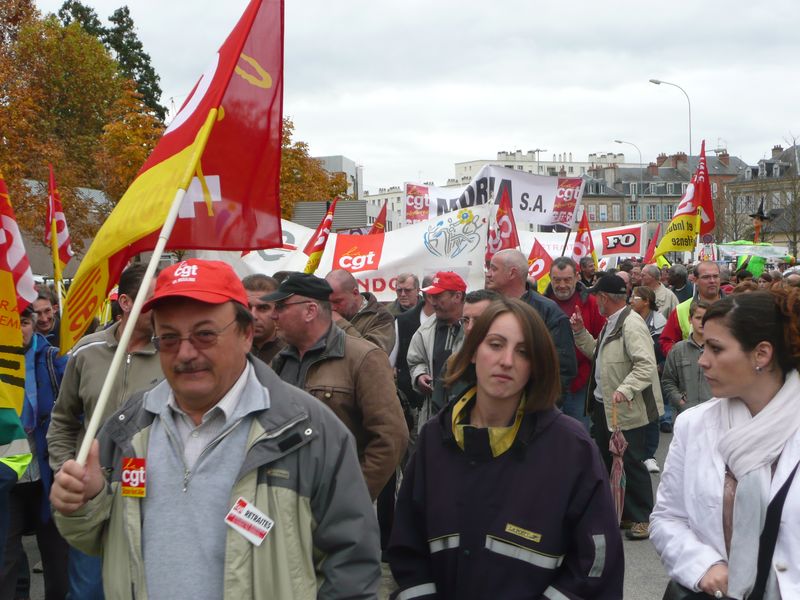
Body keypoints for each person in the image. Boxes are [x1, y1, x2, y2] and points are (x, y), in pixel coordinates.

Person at [50, 259, 381, 599]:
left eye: (205, 334)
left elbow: (352, 564)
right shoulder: (129, 426)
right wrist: (84, 502)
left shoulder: (307, 429)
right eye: (168, 338)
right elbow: (96, 540)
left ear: (246, 334)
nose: (186, 352)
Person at [388, 297, 624, 599]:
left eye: (523, 351)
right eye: (496, 344)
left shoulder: (571, 448)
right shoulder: (435, 438)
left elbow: (596, 562)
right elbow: (408, 548)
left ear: (536, 365)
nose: (507, 361)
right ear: (473, 352)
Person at [651, 289, 800, 599]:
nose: (703, 361)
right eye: (703, 347)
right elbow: (668, 518)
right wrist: (703, 565)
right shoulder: (694, 425)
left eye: (716, 349)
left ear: (761, 354)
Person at [47, 263, 163, 600]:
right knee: (87, 589)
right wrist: (65, 469)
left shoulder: (172, 354)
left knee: (140, 586)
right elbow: (63, 419)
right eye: (152, 299)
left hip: (146, 489)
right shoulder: (87, 351)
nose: (160, 308)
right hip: (90, 489)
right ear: (125, 302)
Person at [268, 272, 408, 500]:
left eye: (282, 306)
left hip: (339, 506)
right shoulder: (281, 360)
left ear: (310, 311)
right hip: (288, 499)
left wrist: (351, 497)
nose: (273, 315)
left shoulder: (363, 358)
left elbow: (391, 437)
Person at [571, 274, 664, 541]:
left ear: (603, 298)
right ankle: (625, 512)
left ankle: (643, 517)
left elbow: (646, 365)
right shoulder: (614, 322)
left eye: (595, 296)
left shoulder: (631, 325)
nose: (593, 301)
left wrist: (625, 388)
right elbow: (598, 355)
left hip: (627, 408)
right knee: (612, 461)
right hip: (607, 406)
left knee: (631, 462)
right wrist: (579, 332)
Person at [1, 306, 70, 600]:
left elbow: (74, 412)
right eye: (11, 323)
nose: (20, 330)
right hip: (7, 479)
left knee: (59, 564)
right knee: (7, 563)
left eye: (25, 322)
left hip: (49, 476)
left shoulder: (55, 360)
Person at [486, 249, 577, 395]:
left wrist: (542, 404)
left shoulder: (548, 311)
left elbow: (564, 368)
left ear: (512, 273)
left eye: (494, 268)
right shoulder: (486, 306)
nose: (488, 274)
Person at [544, 256, 605, 432]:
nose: (562, 285)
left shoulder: (591, 303)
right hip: (549, 383)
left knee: (579, 433)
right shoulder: (541, 304)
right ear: (550, 278)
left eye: (567, 279)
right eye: (557, 280)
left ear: (577, 277)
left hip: (580, 383)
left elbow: (601, 342)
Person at [407, 272, 467, 429]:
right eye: (431, 296)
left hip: (467, 418)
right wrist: (419, 375)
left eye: (438, 296)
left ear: (457, 296)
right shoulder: (424, 331)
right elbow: (415, 361)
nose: (432, 302)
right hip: (433, 420)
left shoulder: (477, 327)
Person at [660, 261, 723, 356]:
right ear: (695, 280)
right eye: (706, 277)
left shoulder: (736, 307)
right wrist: (682, 359)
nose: (712, 281)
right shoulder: (681, 310)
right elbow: (666, 342)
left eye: (715, 276)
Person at [325, 269, 396, 355]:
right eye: (327, 301)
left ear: (355, 293)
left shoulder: (381, 317)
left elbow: (374, 356)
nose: (332, 308)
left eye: (337, 301)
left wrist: (340, 323)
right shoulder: (323, 313)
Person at [661, 299, 712, 416]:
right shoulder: (677, 350)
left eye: (706, 318)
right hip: (685, 413)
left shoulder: (720, 350)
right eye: (698, 318)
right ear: (690, 319)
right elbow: (668, 380)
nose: (702, 322)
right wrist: (679, 400)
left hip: (714, 413)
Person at [241, 273, 285, 364]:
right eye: (247, 307)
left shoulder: (290, 355)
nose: (253, 315)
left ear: (277, 310)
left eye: (263, 308)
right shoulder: (227, 349)